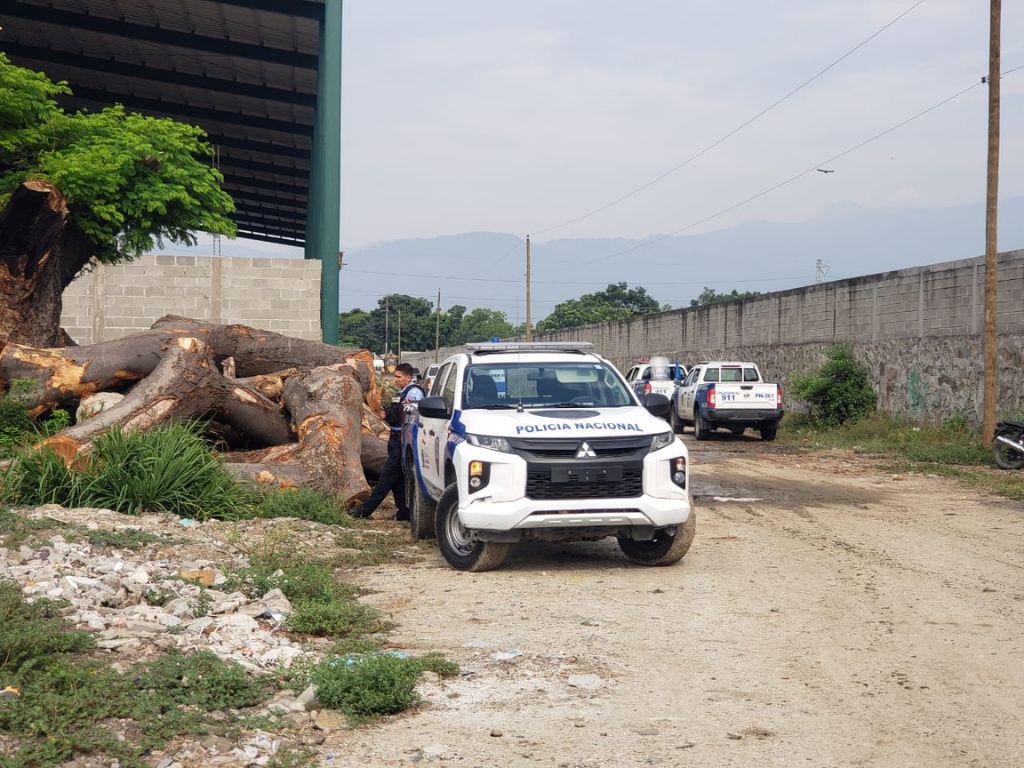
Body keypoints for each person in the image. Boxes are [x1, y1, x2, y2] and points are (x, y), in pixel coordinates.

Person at [352, 362, 424, 520]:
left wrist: (390, 416)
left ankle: (364, 511)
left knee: (386, 477)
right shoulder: (402, 393)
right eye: (395, 377)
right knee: (397, 479)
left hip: (403, 441)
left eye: (398, 377)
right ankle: (404, 512)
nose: (395, 380)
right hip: (395, 439)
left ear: (408, 377)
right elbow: (397, 414)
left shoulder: (414, 394)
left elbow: (410, 418)